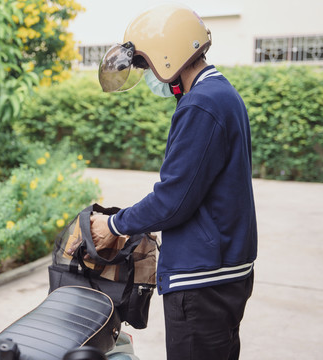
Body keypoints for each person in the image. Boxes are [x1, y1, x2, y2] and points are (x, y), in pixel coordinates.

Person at [91, 4, 258, 360]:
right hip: (224, 271)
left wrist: (114, 224)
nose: (148, 73)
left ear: (169, 56)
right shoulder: (221, 94)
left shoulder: (202, 104)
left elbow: (174, 200)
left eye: (146, 64)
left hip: (204, 280)